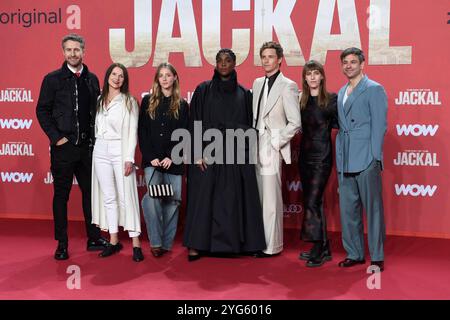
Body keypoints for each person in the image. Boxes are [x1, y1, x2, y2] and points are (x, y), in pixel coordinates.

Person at [183, 49, 266, 261]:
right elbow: (195, 124)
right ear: (215, 63)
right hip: (207, 153)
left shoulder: (244, 94)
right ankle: (196, 244)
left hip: (234, 153)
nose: (223, 64)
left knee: (234, 198)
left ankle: (242, 244)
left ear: (234, 63)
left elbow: (249, 127)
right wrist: (197, 153)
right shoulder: (203, 90)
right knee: (203, 198)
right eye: (220, 61)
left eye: (228, 61)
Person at [36, 33, 108, 260]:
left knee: (91, 195)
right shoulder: (52, 79)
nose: (73, 54)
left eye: (77, 50)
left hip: (87, 148)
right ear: (63, 52)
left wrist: (96, 141)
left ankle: (94, 237)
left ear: (84, 51)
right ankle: (62, 243)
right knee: (61, 196)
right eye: (69, 50)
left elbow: (98, 113)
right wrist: (57, 138)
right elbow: (42, 110)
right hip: (63, 149)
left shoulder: (92, 79)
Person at [335, 47, 387, 272]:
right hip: (345, 158)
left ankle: (377, 255)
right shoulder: (340, 92)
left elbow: (380, 126)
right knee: (348, 211)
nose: (348, 65)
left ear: (362, 64)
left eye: (353, 62)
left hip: (366, 157)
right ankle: (354, 253)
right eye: (345, 62)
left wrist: (375, 157)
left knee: (373, 209)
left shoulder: (374, 89)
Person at [252, 41, 301, 257]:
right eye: (263, 56)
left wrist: (275, 141)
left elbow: (295, 122)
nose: (266, 60)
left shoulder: (288, 85)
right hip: (255, 145)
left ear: (280, 59)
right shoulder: (256, 83)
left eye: (270, 57)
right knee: (259, 198)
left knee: (271, 199)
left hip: (272, 146)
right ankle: (259, 242)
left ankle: (272, 246)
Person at [91, 63, 144, 262]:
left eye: (121, 76)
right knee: (109, 197)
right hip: (100, 150)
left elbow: (132, 131)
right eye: (114, 74)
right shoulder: (99, 99)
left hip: (120, 150)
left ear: (125, 80)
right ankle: (113, 240)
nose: (117, 78)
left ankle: (136, 244)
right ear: (107, 76)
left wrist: (129, 157)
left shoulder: (129, 101)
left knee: (126, 197)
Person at [138, 63, 189, 258]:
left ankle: (166, 244)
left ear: (175, 78)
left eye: (168, 75)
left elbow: (184, 133)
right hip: (153, 161)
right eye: (161, 76)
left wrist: (171, 156)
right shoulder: (147, 101)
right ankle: (156, 241)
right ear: (157, 79)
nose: (165, 79)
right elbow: (142, 131)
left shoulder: (183, 105)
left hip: (173, 161)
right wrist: (152, 157)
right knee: (152, 199)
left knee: (173, 202)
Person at [297, 60, 337, 267]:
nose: (312, 77)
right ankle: (325, 247)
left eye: (316, 73)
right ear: (304, 78)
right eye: (308, 74)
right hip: (304, 157)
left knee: (313, 202)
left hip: (322, 157)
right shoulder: (300, 101)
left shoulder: (332, 100)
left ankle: (317, 248)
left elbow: (340, 125)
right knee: (314, 202)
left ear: (322, 76)